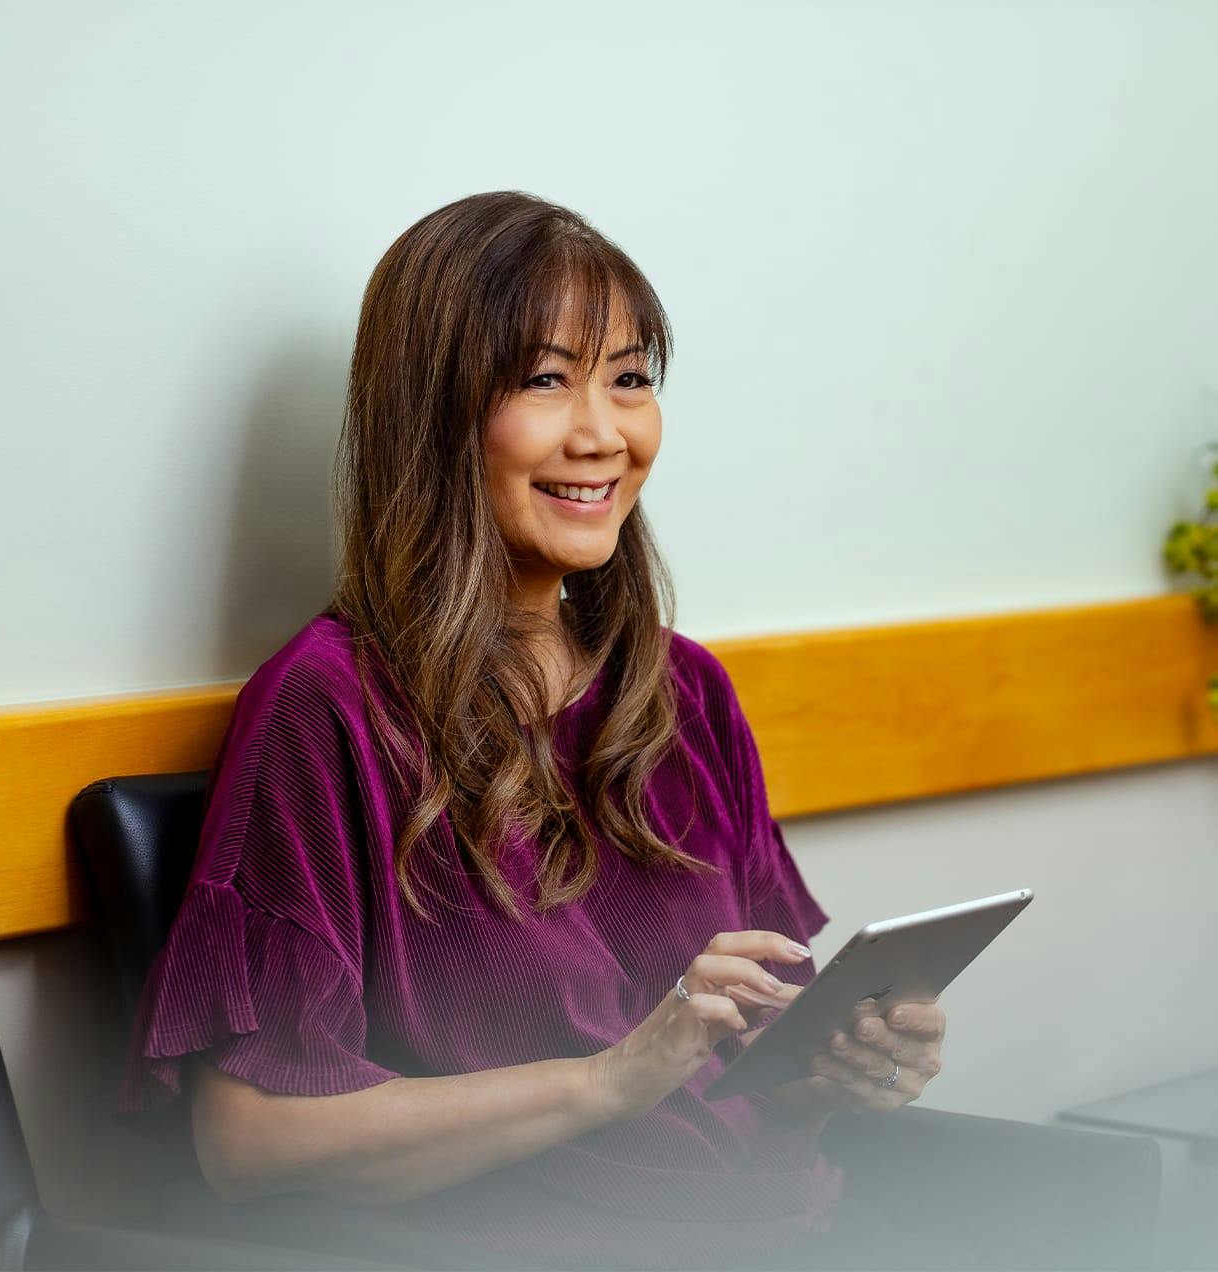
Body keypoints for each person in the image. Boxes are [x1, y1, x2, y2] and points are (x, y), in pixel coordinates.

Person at [112, 191, 947, 1271]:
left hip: (792, 1232)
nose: (602, 434)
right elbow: (248, 1147)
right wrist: (610, 1080)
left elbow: (732, 1059)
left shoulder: (682, 690)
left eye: (630, 378)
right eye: (545, 380)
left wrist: (837, 1063)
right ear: (435, 413)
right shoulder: (326, 710)